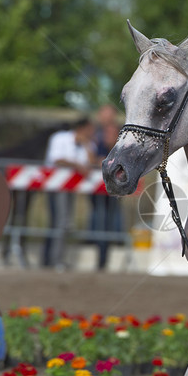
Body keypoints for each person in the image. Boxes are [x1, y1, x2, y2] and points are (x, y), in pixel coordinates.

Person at [42, 118, 98, 268]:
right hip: (55, 187)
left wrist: (86, 144)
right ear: (83, 128)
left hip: (70, 189)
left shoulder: (88, 143)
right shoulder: (60, 138)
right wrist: (77, 165)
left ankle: (56, 258)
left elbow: (91, 162)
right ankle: (52, 259)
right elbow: (56, 159)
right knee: (59, 222)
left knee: (65, 223)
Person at [90, 104, 124, 271]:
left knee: (110, 219)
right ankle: (99, 253)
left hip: (113, 184)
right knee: (98, 217)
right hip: (93, 184)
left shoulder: (121, 132)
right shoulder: (93, 132)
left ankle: (107, 254)